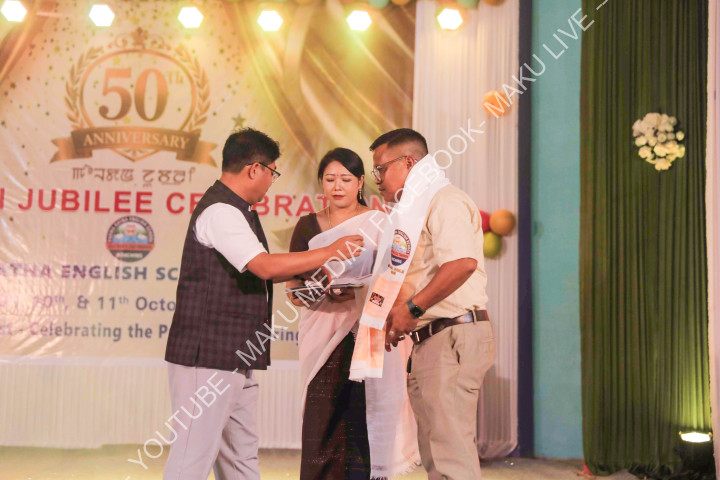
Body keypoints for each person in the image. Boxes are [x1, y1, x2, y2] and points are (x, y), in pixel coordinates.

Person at [163, 129, 364, 480]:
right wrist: (331, 251)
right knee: (191, 459)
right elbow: (264, 267)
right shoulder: (221, 212)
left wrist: (324, 275)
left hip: (235, 357)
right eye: (273, 171)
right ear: (255, 169)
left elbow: (262, 272)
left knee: (241, 459)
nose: (272, 181)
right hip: (207, 358)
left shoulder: (239, 211)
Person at [287, 148, 419, 480]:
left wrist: (365, 289)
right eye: (330, 179)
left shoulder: (380, 223)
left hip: (369, 330)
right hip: (323, 330)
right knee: (322, 413)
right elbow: (293, 289)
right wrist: (322, 290)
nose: (337, 186)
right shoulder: (307, 226)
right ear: (321, 182)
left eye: (345, 179)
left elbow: (397, 276)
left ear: (360, 182)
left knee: (365, 412)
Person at [371, 128, 495, 480]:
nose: (377, 180)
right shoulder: (412, 210)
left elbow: (462, 264)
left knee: (450, 454)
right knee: (436, 455)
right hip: (430, 338)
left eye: (381, 169)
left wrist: (410, 309)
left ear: (409, 162)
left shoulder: (444, 200)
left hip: (451, 334)